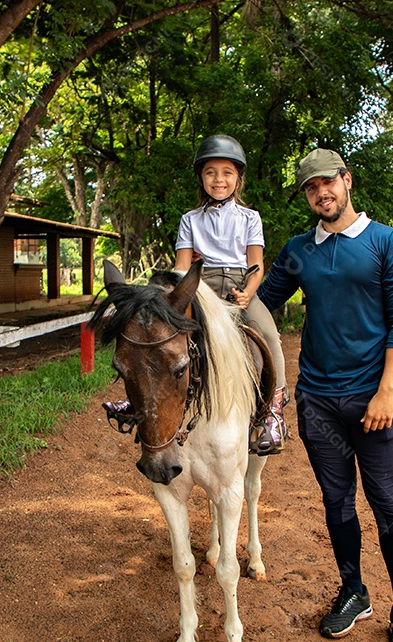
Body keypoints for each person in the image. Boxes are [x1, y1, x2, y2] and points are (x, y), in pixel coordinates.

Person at [256, 148, 393, 642]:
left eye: (327, 182)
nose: (320, 193)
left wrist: (386, 391)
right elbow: (260, 301)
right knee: (336, 502)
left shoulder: (387, 243)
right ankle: (354, 592)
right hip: (318, 402)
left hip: (373, 401)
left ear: (347, 181)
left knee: (388, 506)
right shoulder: (299, 251)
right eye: (310, 188)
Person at [103, 134, 289, 455]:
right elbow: (181, 266)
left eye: (227, 172)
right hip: (200, 288)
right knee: (161, 336)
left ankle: (273, 412)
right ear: (201, 178)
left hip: (238, 286)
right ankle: (139, 400)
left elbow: (257, 265)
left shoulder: (250, 218)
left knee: (270, 336)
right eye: (210, 173)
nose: (219, 180)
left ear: (238, 178)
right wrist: (171, 293)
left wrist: (248, 293)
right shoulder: (190, 220)